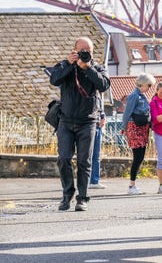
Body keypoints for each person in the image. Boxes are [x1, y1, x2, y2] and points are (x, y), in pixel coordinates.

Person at [49, 37, 111, 211]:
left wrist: (88, 68)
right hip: (66, 121)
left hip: (88, 121)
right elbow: (54, 80)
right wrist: (70, 64)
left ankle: (82, 198)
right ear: (74, 50)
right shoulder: (65, 65)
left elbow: (104, 85)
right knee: (63, 159)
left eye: (88, 51)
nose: (85, 53)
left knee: (85, 161)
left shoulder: (97, 67)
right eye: (82, 50)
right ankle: (67, 194)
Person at [122, 73, 155, 195]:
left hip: (141, 128)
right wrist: (123, 128)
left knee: (140, 157)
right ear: (143, 84)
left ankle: (133, 185)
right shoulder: (134, 96)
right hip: (135, 128)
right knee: (137, 157)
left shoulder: (141, 95)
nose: (150, 87)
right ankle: (132, 186)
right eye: (149, 85)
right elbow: (127, 113)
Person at [88, 109, 107, 189]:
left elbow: (101, 109)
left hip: (98, 127)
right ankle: (85, 181)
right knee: (86, 155)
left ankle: (94, 181)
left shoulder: (99, 96)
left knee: (96, 155)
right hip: (88, 126)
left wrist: (103, 117)